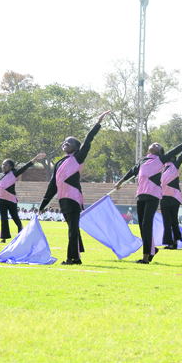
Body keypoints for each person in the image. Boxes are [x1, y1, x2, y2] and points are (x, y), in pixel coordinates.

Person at [115, 131, 182, 264]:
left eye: (158, 145)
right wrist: (120, 182)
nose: (155, 144)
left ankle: (145, 257)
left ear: (160, 152)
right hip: (140, 194)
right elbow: (132, 172)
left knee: (146, 224)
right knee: (141, 226)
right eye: (154, 143)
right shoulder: (142, 160)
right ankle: (152, 249)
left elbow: (179, 148)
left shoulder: (161, 160)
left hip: (153, 195)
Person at [39, 110, 112, 265]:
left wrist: (97, 124)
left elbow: (88, 141)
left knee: (72, 228)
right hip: (63, 199)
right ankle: (76, 256)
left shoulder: (78, 157)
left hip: (73, 198)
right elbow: (52, 186)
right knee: (73, 228)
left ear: (77, 148)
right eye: (65, 142)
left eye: (70, 142)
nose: (66, 143)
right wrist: (43, 204)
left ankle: (71, 258)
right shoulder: (59, 163)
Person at [0, 153, 46, 242]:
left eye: (6, 165)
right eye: (3, 164)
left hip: (11, 200)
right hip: (1, 199)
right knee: (4, 218)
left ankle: (21, 233)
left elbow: (25, 167)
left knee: (15, 218)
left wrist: (35, 158)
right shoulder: (0, 175)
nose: (3, 166)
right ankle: (4, 237)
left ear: (10, 167)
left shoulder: (14, 173)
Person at [160, 141, 182, 249]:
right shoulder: (163, 168)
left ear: (173, 159)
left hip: (174, 197)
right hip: (164, 197)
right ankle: (170, 242)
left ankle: (174, 242)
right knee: (167, 221)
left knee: (173, 221)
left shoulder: (175, 166)